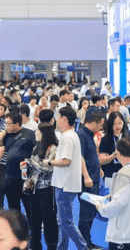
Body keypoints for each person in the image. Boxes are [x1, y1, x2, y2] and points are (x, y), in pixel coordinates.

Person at [45, 107, 90, 250]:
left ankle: (83, 247)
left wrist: (49, 162)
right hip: (66, 184)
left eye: (58, 117)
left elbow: (66, 161)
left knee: (66, 222)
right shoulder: (71, 135)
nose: (56, 120)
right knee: (62, 222)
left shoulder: (67, 137)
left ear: (64, 119)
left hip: (64, 185)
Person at [97, 136, 130, 250]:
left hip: (121, 234)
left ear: (118, 153)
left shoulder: (124, 175)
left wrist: (100, 207)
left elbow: (117, 204)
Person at [21, 123, 59, 250]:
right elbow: (35, 166)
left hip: (47, 189)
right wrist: (26, 166)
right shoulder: (36, 147)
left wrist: (32, 162)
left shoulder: (53, 148)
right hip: (33, 188)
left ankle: (52, 246)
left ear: (45, 133)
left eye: (38, 131)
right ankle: (35, 246)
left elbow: (49, 168)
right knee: (34, 220)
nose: (36, 133)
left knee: (49, 220)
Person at [0, 112, 36, 212]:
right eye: (6, 123)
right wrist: (5, 130)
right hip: (9, 176)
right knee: (13, 207)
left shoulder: (29, 134)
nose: (7, 126)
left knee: (29, 207)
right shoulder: (6, 135)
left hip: (24, 177)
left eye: (9, 123)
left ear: (17, 124)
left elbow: (36, 150)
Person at [77, 111, 105, 250]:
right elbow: (80, 157)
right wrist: (86, 176)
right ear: (94, 123)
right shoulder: (82, 135)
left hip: (93, 178)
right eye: (100, 124)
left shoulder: (88, 134)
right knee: (87, 213)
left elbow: (90, 155)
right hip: (87, 181)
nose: (101, 127)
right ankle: (85, 244)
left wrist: (98, 168)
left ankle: (86, 242)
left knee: (91, 212)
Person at [99, 112, 130, 191]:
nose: (118, 126)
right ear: (110, 124)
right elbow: (101, 160)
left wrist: (125, 155)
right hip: (111, 175)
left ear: (123, 122)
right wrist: (114, 155)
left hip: (128, 174)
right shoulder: (105, 139)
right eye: (114, 124)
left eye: (120, 123)